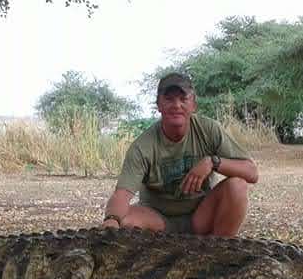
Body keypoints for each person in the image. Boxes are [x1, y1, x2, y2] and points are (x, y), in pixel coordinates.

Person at [101, 72, 259, 236]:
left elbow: (252, 173)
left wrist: (213, 162)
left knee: (237, 186)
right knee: (125, 221)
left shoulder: (209, 129)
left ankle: (219, 250)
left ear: (193, 105)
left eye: (183, 99)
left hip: (201, 216)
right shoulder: (142, 146)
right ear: (158, 105)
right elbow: (122, 194)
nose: (176, 105)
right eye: (169, 99)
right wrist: (111, 220)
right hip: (157, 220)